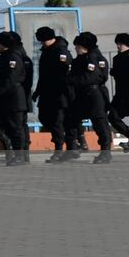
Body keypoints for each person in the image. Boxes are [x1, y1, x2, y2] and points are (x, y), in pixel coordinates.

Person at [66, 32, 111, 164]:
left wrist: (71, 80)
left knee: (100, 124)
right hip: (81, 96)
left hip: (93, 96)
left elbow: (91, 77)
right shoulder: (81, 59)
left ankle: (105, 152)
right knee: (70, 119)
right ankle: (72, 148)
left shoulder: (92, 58)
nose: (76, 49)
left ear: (84, 47)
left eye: (78, 46)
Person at [34, 27, 72, 160]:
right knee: (44, 117)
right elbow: (44, 75)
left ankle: (60, 149)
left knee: (56, 121)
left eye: (43, 40)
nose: (42, 43)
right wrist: (37, 92)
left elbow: (65, 71)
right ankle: (64, 141)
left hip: (58, 93)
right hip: (46, 92)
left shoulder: (60, 51)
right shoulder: (46, 51)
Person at [0, 32, 30, 166]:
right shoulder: (5, 56)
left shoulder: (12, 56)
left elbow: (11, 78)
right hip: (7, 97)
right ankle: (16, 154)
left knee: (16, 128)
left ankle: (19, 156)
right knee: (9, 127)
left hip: (14, 97)